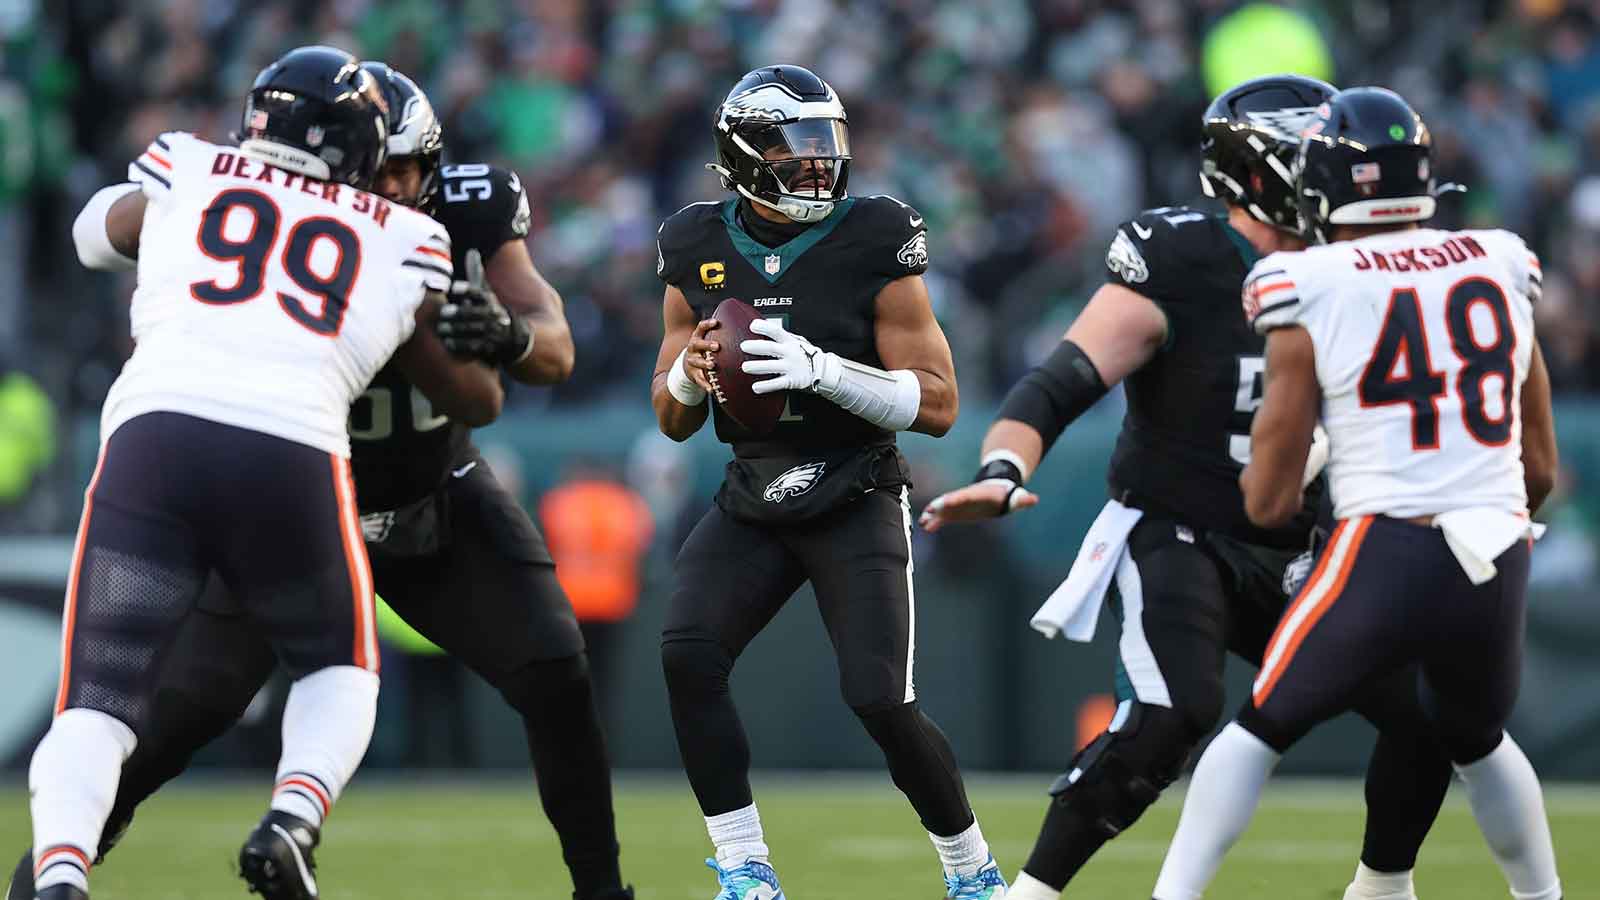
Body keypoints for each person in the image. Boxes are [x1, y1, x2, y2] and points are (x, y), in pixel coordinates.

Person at [8, 61, 635, 900]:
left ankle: (602, 891)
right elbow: (479, 396)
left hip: (421, 496)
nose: (388, 186)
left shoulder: (443, 210)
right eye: (377, 168)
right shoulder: (384, 236)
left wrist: (508, 338)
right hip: (296, 498)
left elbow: (546, 344)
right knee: (163, 734)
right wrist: (473, 351)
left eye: (405, 172)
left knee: (557, 669)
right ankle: (54, 876)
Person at [921, 75, 1467, 900]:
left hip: (1309, 543)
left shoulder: (1363, 264)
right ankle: (1027, 894)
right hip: (1181, 533)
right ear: (1256, 173)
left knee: (1434, 708)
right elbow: (1060, 382)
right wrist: (1003, 469)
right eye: (1309, 159)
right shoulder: (1186, 258)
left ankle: (1381, 888)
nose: (1328, 177)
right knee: (1169, 717)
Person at [1149, 85, 1563, 900]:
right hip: (1499, 547)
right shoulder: (1501, 260)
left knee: (1260, 726)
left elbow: (1267, 503)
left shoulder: (1307, 282)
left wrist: (1315, 484)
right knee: (1476, 739)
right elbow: (1539, 467)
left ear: (1324, 182)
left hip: (1389, 547)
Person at [650, 65, 1005, 900]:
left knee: (881, 700)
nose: (817, 162)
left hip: (855, 488)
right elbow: (669, 414)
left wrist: (822, 369)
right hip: (753, 491)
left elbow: (942, 405)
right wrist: (693, 378)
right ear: (741, 154)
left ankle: (973, 872)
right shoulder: (694, 242)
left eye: (826, 143)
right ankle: (744, 868)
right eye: (795, 145)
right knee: (687, 656)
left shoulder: (876, 233)